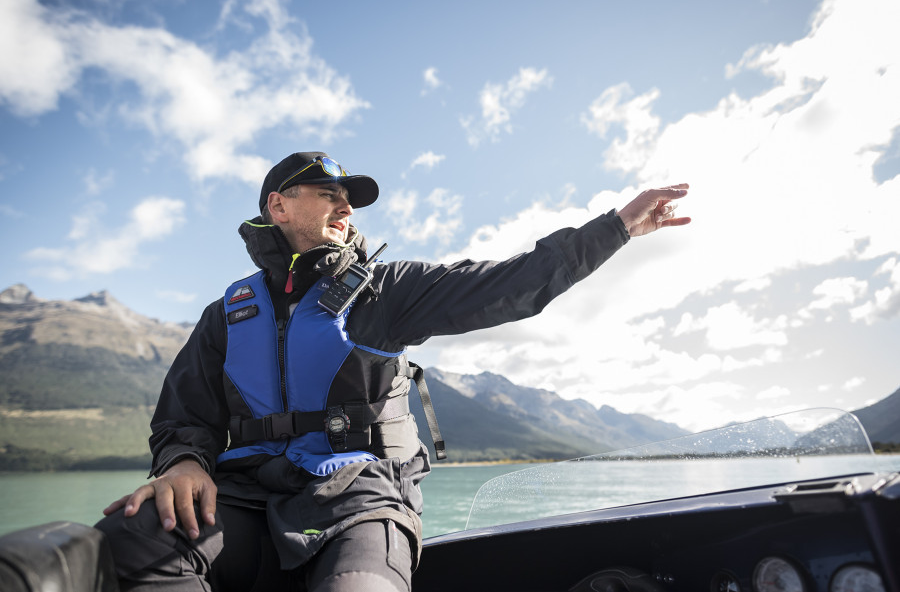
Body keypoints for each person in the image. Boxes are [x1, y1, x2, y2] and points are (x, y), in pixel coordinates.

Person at [95, 151, 691, 591]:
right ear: (277, 205)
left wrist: (616, 227)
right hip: (247, 499)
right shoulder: (226, 314)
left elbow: (512, 285)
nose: (345, 205)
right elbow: (184, 415)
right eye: (326, 192)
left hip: (362, 500)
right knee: (131, 533)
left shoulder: (387, 291)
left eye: (347, 197)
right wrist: (182, 462)